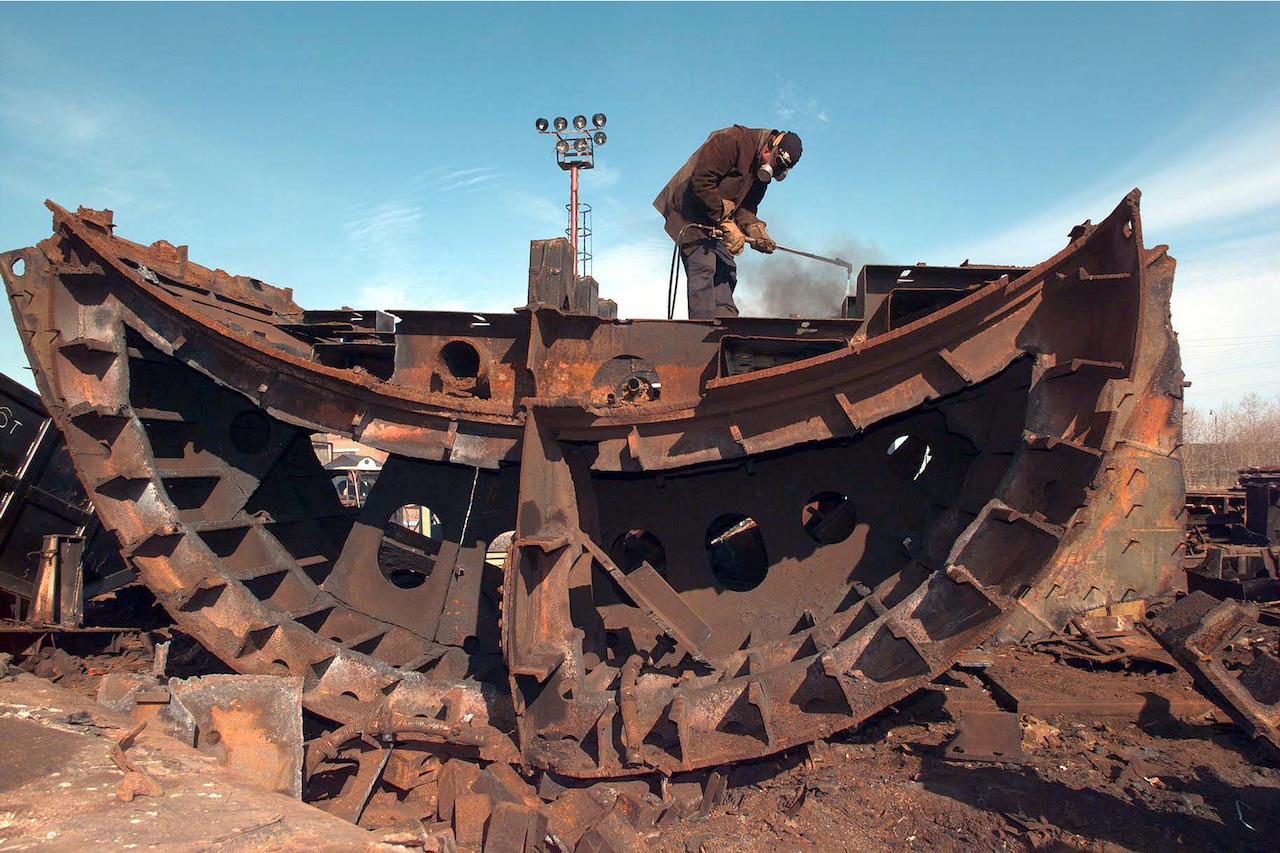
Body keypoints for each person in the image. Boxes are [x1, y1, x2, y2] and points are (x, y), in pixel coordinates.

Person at [654, 126, 802, 319]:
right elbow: (701, 181)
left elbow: (747, 208)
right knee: (704, 267)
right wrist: (725, 219)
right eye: (774, 163)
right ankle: (702, 336)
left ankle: (726, 332)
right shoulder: (733, 141)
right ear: (770, 145)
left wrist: (755, 229)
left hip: (715, 220)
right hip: (689, 210)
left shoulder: (762, 173)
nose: (771, 172)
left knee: (726, 270)